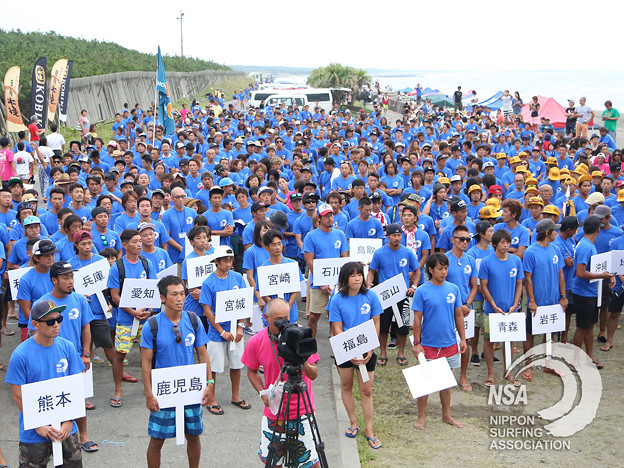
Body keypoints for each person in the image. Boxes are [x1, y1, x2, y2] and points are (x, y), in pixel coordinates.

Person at [140, 275, 214, 468]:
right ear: (163, 298)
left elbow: (203, 354)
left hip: (190, 389)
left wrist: (210, 383)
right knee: (156, 440)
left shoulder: (193, 320)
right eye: (174, 294)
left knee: (194, 436)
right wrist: (149, 394)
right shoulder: (152, 325)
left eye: (182, 293)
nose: (180, 298)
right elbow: (146, 364)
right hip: (164, 391)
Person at [241, 298, 321, 467]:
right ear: (266, 318)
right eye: (278, 320)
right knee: (274, 461)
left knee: (311, 462)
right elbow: (251, 371)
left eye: (286, 318)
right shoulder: (256, 341)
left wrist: (304, 361)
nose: (284, 324)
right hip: (275, 412)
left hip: (302, 410)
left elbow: (313, 375)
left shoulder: (302, 335)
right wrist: (262, 392)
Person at [5, 300, 85, 468]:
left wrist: (69, 421)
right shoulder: (21, 355)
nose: (56, 325)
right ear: (35, 324)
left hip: (66, 428)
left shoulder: (68, 347)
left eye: (59, 319)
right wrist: (38, 425)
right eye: (50, 321)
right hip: (34, 432)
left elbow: (76, 386)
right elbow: (18, 395)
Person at [28, 261, 98, 453]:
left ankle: (83, 435)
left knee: (78, 397)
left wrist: (86, 353)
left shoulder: (80, 300)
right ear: (54, 280)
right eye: (65, 278)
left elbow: (86, 327)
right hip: (49, 359)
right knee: (52, 397)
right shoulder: (41, 304)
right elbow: (31, 333)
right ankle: (50, 435)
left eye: (72, 277)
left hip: (75, 358)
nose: (70, 281)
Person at [329, 262, 382, 449]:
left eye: (360, 274)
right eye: (352, 275)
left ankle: (369, 429)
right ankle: (353, 422)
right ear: (345, 278)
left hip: (368, 350)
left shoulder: (371, 296)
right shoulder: (337, 300)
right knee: (346, 385)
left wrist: (370, 348)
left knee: (367, 390)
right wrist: (350, 352)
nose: (357, 278)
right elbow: (337, 328)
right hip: (345, 350)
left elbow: (376, 323)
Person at [411, 253, 466, 429]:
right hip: (428, 344)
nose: (444, 272)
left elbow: (458, 314)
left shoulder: (453, 289)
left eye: (446, 268)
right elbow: (417, 319)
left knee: (446, 381)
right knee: (425, 382)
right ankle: (421, 416)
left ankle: (446, 414)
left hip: (449, 342)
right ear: (431, 269)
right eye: (440, 268)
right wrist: (417, 343)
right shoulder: (422, 291)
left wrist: (462, 339)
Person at [107, 229, 157, 407]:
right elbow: (115, 296)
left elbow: (153, 289)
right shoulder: (117, 267)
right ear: (125, 245)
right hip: (126, 320)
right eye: (135, 241)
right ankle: (118, 390)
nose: (139, 244)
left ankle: (149, 388)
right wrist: (132, 311)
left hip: (145, 320)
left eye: (140, 241)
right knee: (120, 355)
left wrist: (149, 310)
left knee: (148, 355)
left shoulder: (146, 263)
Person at [199, 245, 251, 415]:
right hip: (216, 333)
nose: (228, 264)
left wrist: (240, 327)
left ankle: (235, 396)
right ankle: (211, 398)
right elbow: (207, 310)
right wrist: (221, 331)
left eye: (230, 260)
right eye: (225, 261)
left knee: (237, 364)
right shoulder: (208, 283)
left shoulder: (237, 278)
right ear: (216, 262)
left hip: (235, 331)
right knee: (213, 367)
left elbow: (243, 303)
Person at [367, 223, 419, 366]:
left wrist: (414, 286)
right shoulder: (379, 253)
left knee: (403, 327)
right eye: (394, 235)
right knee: (383, 327)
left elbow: (417, 271)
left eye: (399, 235)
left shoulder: (407, 252)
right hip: (385, 296)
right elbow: (371, 271)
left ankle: (401, 353)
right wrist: (368, 285)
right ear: (388, 236)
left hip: (403, 295)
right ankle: (383, 353)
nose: (397, 238)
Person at [522, 219, 567, 381]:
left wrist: (563, 296)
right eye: (554, 230)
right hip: (537, 301)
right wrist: (532, 300)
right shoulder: (530, 252)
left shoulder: (556, 249)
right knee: (530, 334)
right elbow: (528, 278)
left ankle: (549, 363)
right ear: (547, 233)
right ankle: (528, 364)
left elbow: (560, 274)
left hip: (554, 300)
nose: (557, 232)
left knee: (551, 332)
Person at [478, 229, 524, 387]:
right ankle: (491, 373)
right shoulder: (486, 262)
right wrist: (493, 305)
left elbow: (519, 283)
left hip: (511, 309)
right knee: (489, 340)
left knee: (509, 341)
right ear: (495, 244)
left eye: (507, 242)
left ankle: (508, 371)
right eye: (502, 243)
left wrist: (515, 304)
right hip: (492, 310)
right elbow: (483, 286)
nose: (505, 246)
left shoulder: (516, 261)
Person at [571, 216, 613, 370]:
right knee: (582, 327)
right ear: (598, 229)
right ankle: (575, 360)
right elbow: (581, 272)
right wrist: (602, 276)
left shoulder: (588, 245)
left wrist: (605, 275)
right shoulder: (585, 247)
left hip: (591, 292)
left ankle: (589, 356)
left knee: (589, 326)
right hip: (583, 293)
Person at [302, 203, 349, 337]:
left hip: (336, 282)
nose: (330, 218)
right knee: (313, 317)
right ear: (319, 219)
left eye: (331, 215)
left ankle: (337, 350)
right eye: (326, 216)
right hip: (318, 283)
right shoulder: (311, 236)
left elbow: (343, 259)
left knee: (335, 318)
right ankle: (309, 348)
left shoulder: (340, 234)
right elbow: (309, 261)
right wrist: (321, 282)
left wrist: (341, 283)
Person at [445, 225, 478, 391]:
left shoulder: (470, 259)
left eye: (468, 239)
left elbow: (474, 285)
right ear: (453, 240)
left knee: (466, 341)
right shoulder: (444, 259)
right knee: (447, 342)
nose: (465, 242)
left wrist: (467, 304)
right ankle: (447, 374)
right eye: (462, 239)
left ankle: (463, 376)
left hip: (465, 309)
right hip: (447, 308)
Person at [257, 229, 303, 323]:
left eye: (279, 243)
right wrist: (276, 309)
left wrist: (287, 308)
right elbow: (264, 294)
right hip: (272, 315)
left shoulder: (291, 264)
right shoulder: (264, 269)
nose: (277, 247)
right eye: (273, 245)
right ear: (267, 248)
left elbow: (295, 290)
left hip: (290, 313)